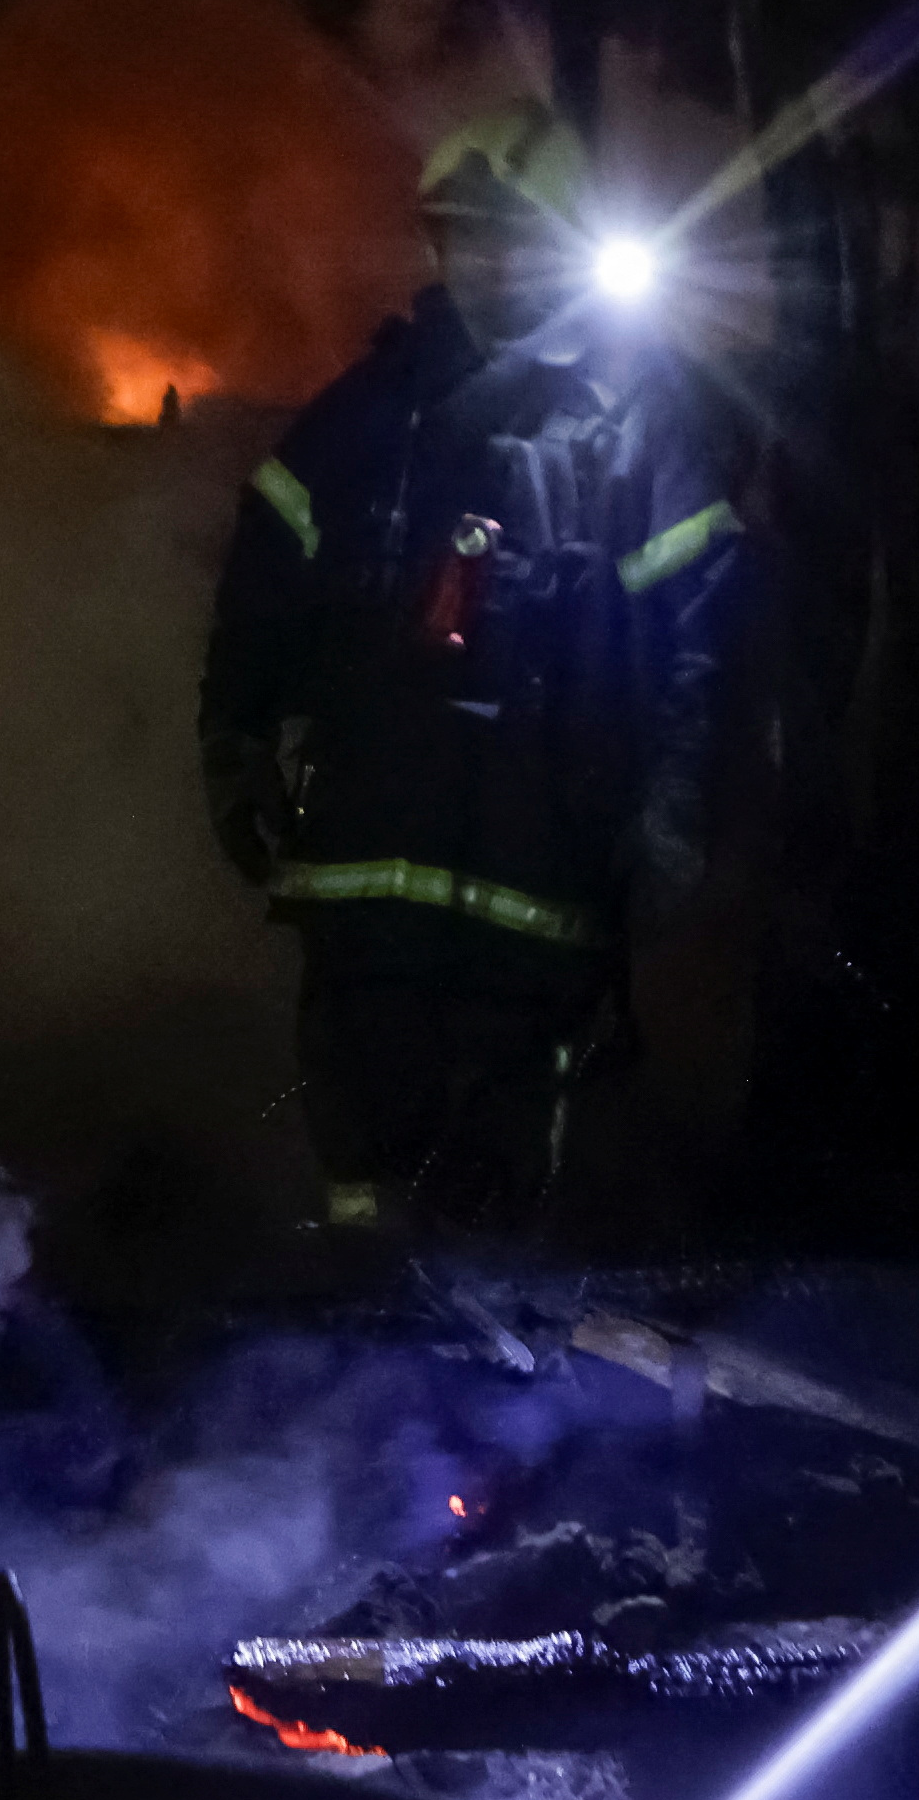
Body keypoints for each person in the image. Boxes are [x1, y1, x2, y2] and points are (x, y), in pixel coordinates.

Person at [199, 98, 734, 1239]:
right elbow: (262, 588)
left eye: (519, 238)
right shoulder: (364, 417)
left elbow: (704, 637)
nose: (492, 264)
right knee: (359, 1160)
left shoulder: (636, 430)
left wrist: (676, 807)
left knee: (502, 1188)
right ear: (436, 247)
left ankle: (490, 1389)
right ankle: (356, 1371)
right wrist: (233, 740)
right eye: (466, 235)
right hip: (363, 881)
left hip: (539, 881)